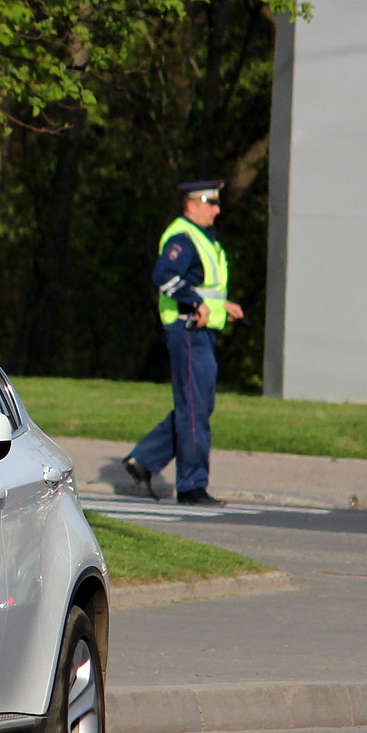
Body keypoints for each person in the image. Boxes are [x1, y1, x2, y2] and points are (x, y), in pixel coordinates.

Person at [122, 179, 244, 505]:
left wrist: (220, 306)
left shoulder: (203, 237)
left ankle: (145, 460)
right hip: (188, 332)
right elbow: (164, 276)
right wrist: (193, 302)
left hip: (200, 332)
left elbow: (204, 288)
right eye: (210, 202)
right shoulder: (183, 237)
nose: (217, 209)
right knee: (194, 412)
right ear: (191, 203)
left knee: (198, 408)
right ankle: (191, 486)